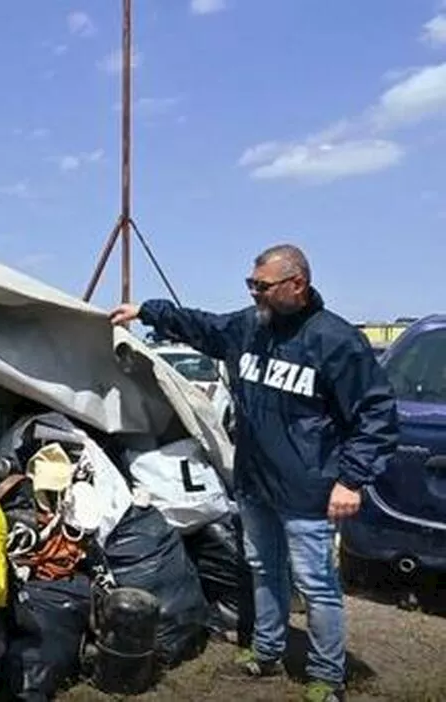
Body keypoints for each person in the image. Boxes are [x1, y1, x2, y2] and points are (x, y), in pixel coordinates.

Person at [109, 244, 398, 702]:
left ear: (296, 285)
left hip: (309, 490)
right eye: (251, 285)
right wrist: (148, 310)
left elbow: (375, 415)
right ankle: (266, 651)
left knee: (316, 584)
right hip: (255, 484)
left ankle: (327, 674)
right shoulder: (249, 328)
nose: (254, 294)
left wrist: (352, 480)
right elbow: (203, 325)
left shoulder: (336, 342)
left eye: (261, 286)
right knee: (264, 570)